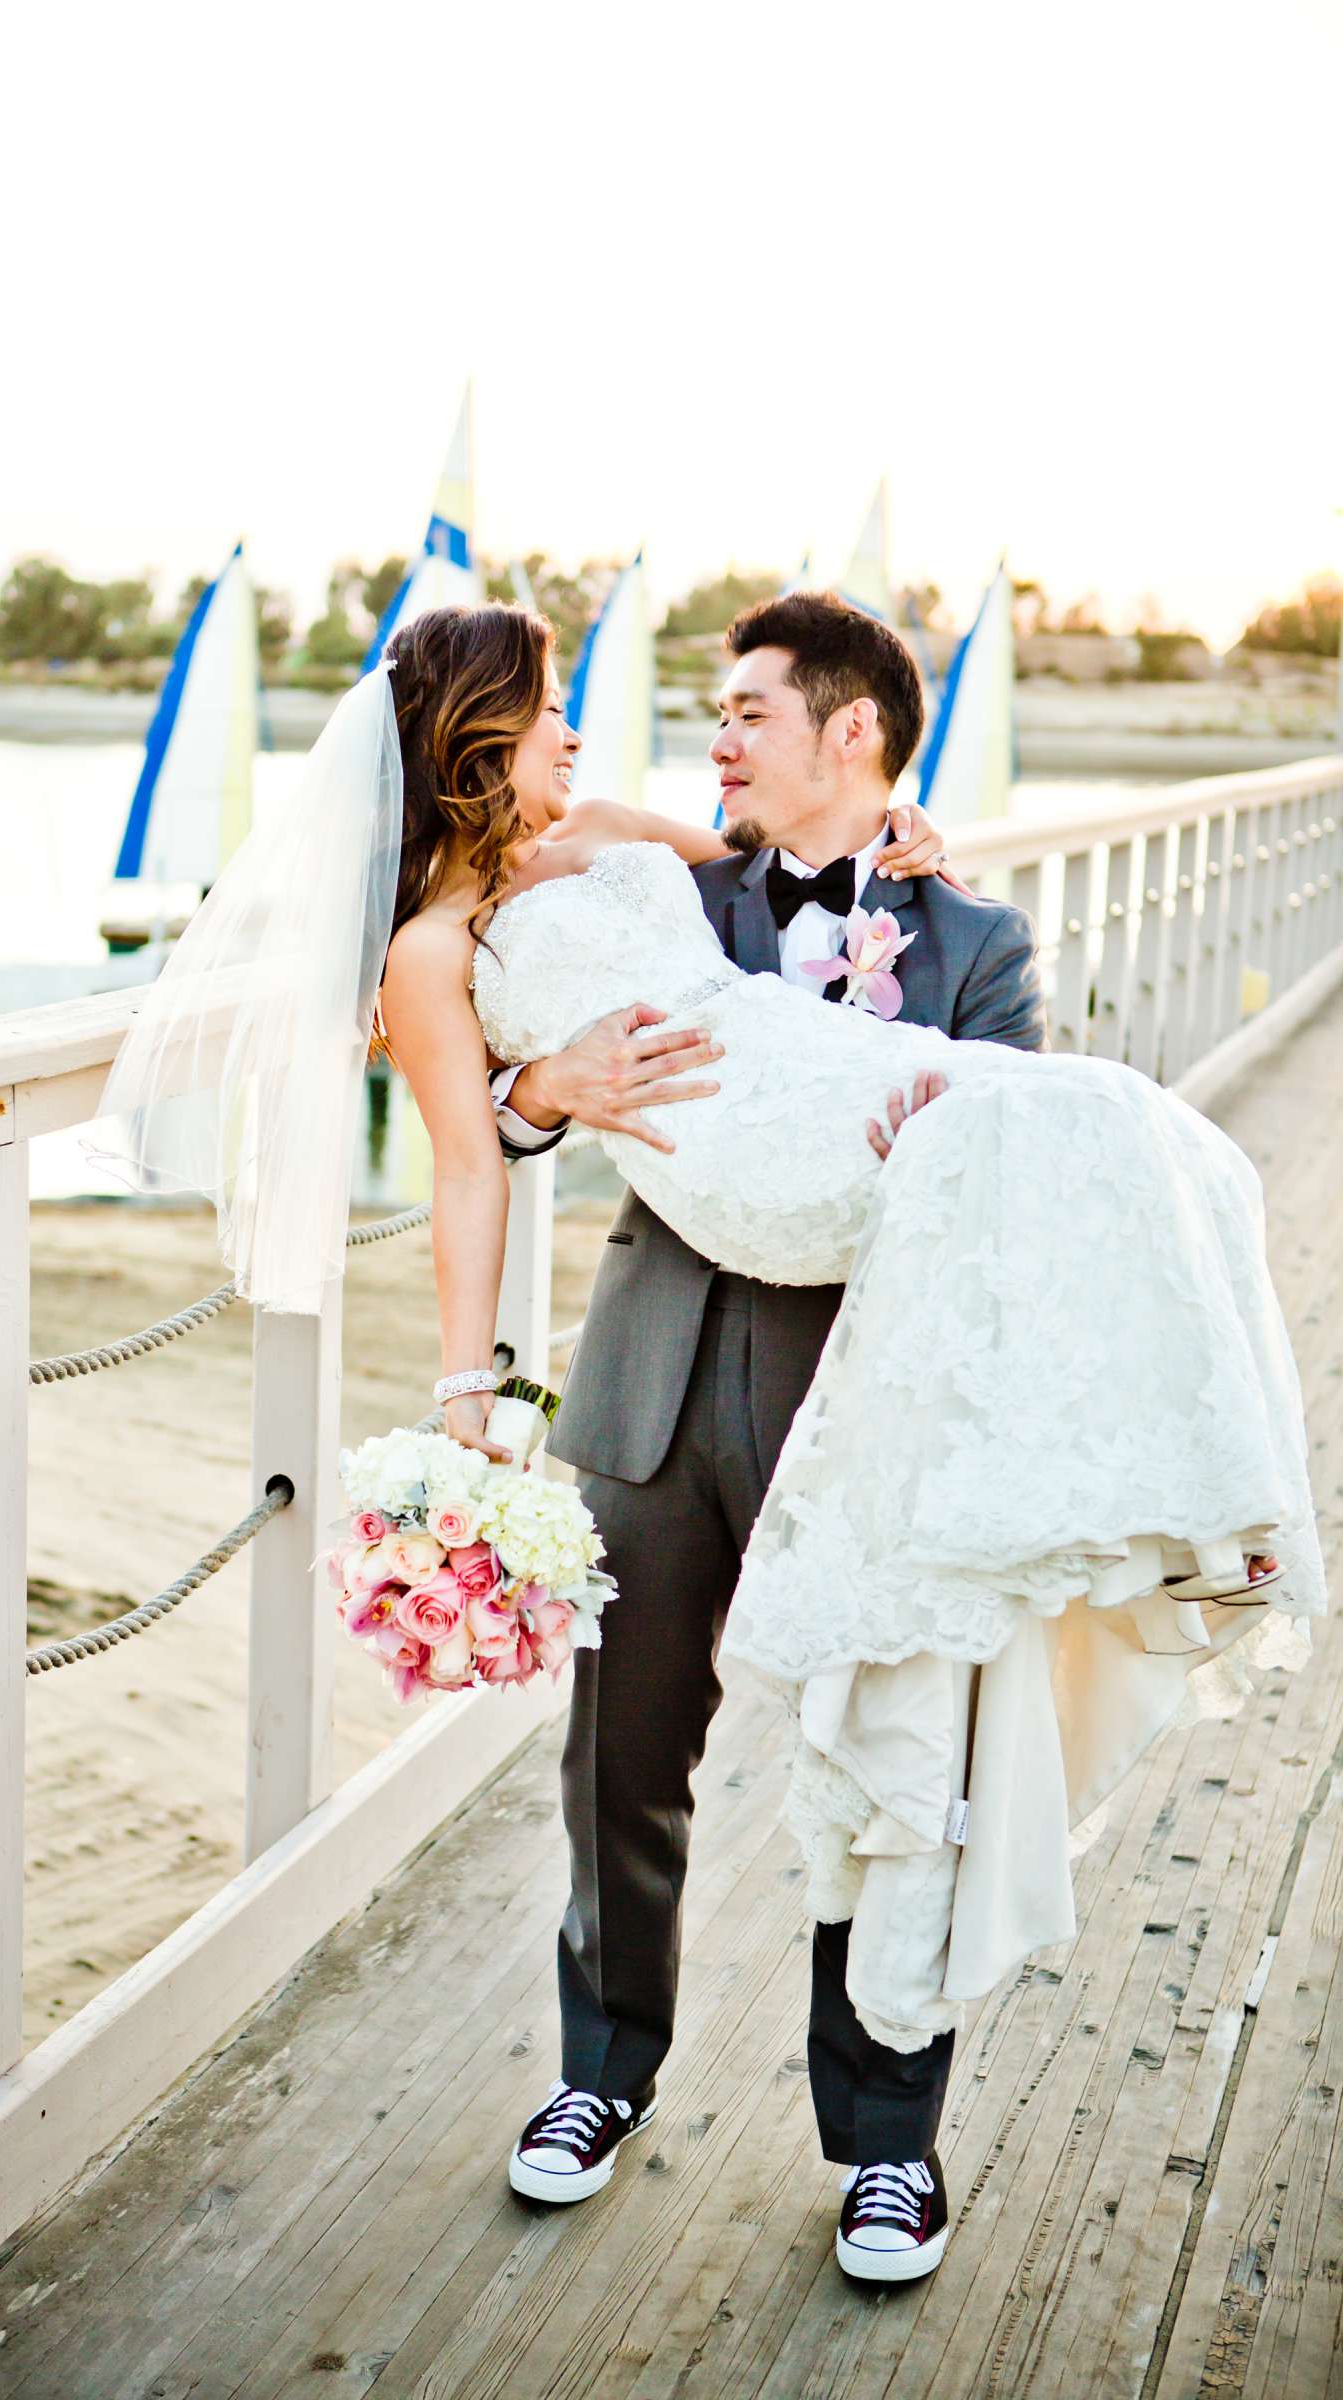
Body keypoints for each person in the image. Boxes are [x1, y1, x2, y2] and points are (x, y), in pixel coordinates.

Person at [99, 595, 1321, 2289]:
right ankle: (600, 2078)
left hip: (874, 1397)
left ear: (856, 734)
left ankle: (887, 2150)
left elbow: (1008, 1174)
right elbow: (487, 1115)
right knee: (621, 1754)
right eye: (712, 714)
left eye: (748, 711)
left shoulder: (974, 934)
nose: (712, 739)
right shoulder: (671, 883)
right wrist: (544, 1101)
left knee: (905, 1746)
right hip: (662, 1374)